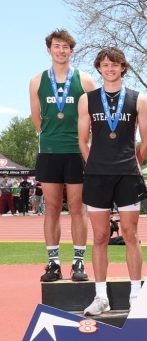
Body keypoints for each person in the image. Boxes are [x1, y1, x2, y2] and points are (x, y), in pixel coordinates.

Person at [77, 47, 147, 315]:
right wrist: (94, 164)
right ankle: (101, 297)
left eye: (115, 64)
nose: (110, 68)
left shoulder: (138, 99)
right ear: (99, 68)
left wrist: (133, 164)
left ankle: (136, 294)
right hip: (98, 176)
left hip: (127, 175)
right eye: (105, 64)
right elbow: (82, 140)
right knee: (99, 236)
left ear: (123, 67)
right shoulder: (87, 100)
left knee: (131, 234)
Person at [30, 29, 97, 281]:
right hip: (49, 152)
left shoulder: (85, 80)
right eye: (56, 46)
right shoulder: (37, 81)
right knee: (52, 209)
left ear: (71, 51)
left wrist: (84, 144)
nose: (61, 51)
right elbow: (37, 120)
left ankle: (78, 263)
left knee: (79, 208)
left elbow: (94, 119)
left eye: (65, 47)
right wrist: (52, 136)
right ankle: (53, 263)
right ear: (49, 50)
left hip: (76, 152)